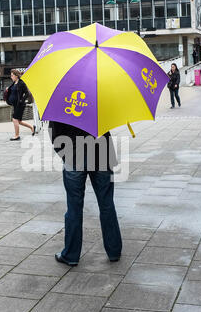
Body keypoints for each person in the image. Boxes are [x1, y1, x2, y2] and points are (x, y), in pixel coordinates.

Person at [49, 121, 122, 266]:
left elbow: (55, 135)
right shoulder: (101, 99)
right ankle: (114, 251)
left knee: (74, 207)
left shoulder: (61, 101)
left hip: (74, 155)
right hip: (102, 153)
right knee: (106, 204)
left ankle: (71, 255)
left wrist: (66, 155)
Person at [7, 69, 35, 140]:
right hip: (15, 104)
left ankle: (17, 135)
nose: (11, 77)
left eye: (12, 75)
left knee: (14, 119)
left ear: (16, 76)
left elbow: (27, 93)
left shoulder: (21, 83)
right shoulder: (14, 83)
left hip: (19, 105)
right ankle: (31, 127)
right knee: (18, 121)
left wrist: (21, 100)